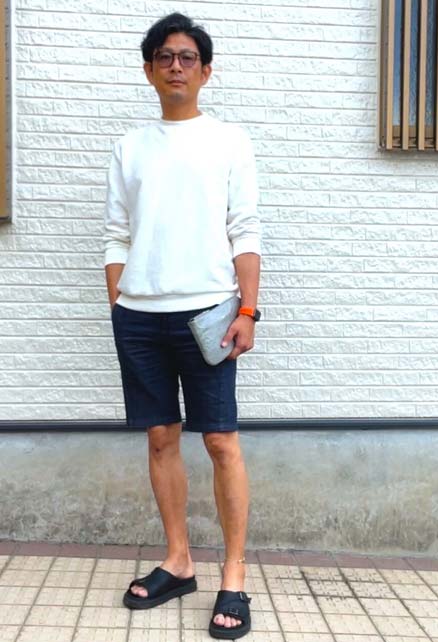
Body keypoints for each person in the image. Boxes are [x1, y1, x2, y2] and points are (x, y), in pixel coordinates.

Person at [103, 12, 261, 640]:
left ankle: (234, 575)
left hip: (209, 314)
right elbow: (117, 233)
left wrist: (247, 310)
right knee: (160, 439)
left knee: (220, 441)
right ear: (149, 70)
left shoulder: (229, 141)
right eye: (165, 57)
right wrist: (119, 303)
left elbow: (244, 230)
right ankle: (178, 561)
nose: (176, 66)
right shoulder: (130, 147)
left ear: (205, 71)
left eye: (187, 57)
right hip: (139, 317)